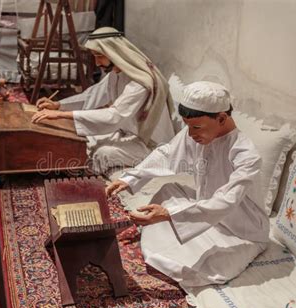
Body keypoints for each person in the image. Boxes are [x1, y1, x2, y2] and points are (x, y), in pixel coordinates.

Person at [106, 81, 270, 291]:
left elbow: (227, 200)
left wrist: (168, 214)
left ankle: (174, 234)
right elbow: (166, 154)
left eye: (197, 127)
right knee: (169, 189)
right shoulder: (196, 132)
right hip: (203, 208)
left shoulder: (246, 154)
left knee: (196, 271)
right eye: (188, 126)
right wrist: (129, 179)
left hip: (242, 230)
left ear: (221, 118)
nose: (191, 135)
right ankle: (172, 232)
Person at [31, 27, 175, 174]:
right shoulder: (116, 73)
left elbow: (115, 115)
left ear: (114, 53)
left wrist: (62, 115)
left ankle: (88, 185)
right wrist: (59, 105)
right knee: (87, 138)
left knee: (103, 153)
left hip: (151, 145)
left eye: (99, 56)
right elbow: (91, 95)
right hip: (127, 133)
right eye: (94, 56)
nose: (97, 62)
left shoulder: (141, 83)